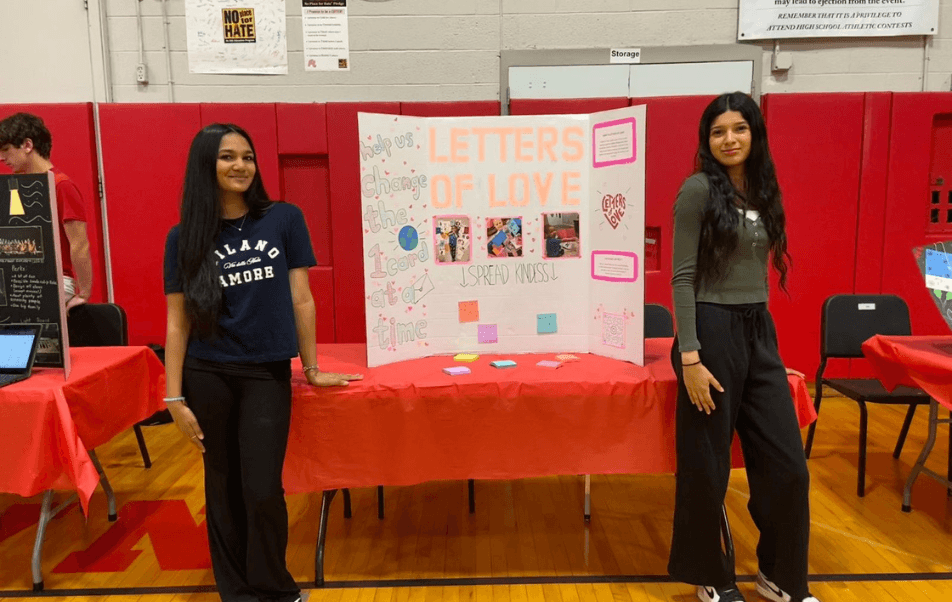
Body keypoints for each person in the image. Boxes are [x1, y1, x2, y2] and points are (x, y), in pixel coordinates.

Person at [163, 123, 361, 602]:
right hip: (207, 374)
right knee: (222, 486)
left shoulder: (284, 219)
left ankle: (274, 589)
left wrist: (311, 367)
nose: (240, 166)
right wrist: (173, 398)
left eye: (247, 157)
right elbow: (177, 323)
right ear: (206, 165)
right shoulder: (183, 237)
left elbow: (302, 299)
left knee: (263, 488)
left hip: (265, 373)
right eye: (228, 156)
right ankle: (237, 593)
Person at [668, 93, 818, 602]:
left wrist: (763, 347)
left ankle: (780, 577)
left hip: (758, 330)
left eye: (739, 129)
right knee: (707, 466)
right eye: (718, 131)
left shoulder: (763, 189)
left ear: (755, 134)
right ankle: (712, 574)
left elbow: (755, 272)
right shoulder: (697, 191)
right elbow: (682, 277)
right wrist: (690, 357)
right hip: (709, 333)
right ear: (706, 140)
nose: (729, 139)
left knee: (789, 468)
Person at [0, 112, 93, 309]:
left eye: (6, 149)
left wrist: (84, 293)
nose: (2, 158)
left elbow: (79, 244)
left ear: (27, 145)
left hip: (55, 279)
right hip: (20, 278)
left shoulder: (61, 185)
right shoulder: (16, 189)